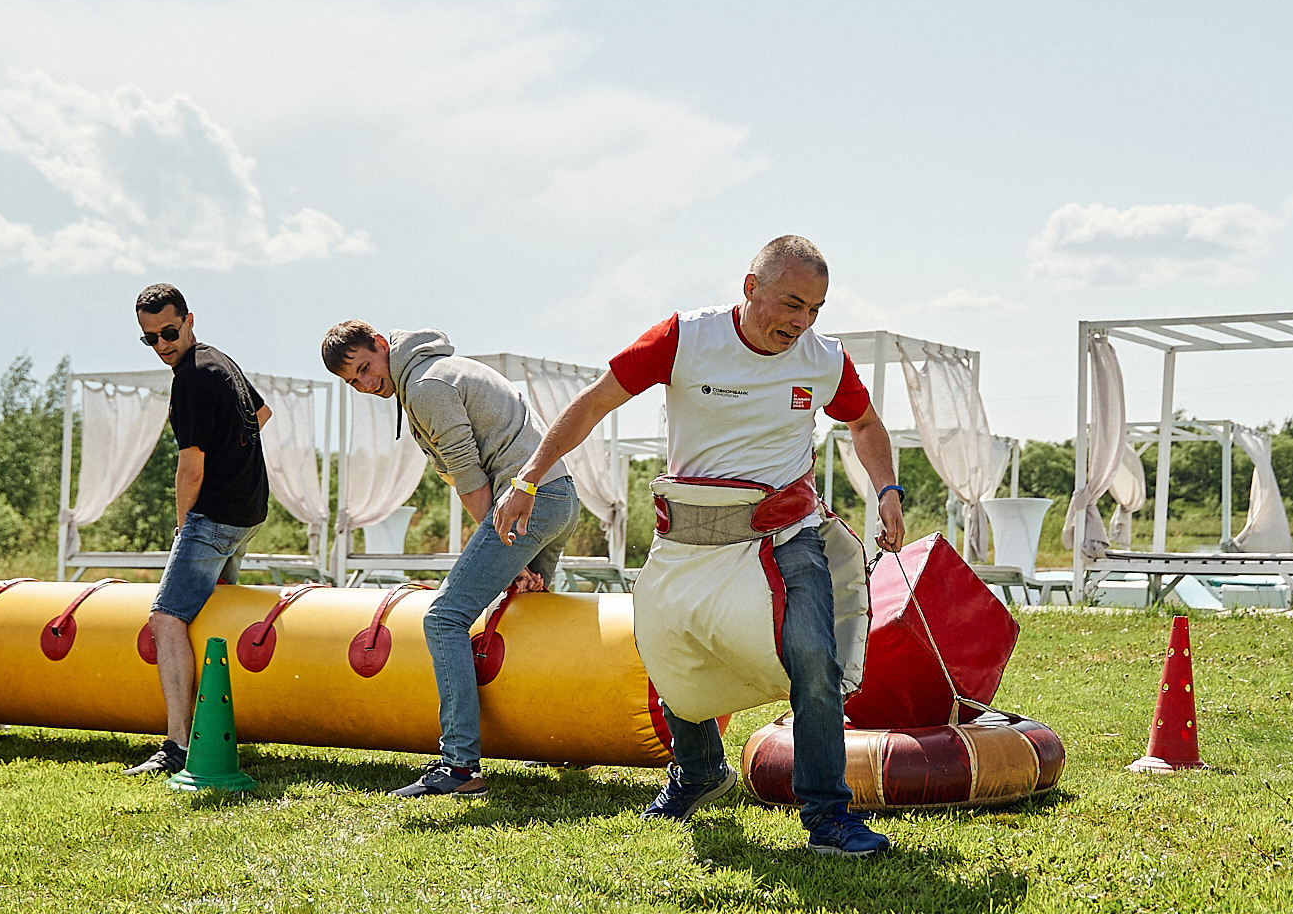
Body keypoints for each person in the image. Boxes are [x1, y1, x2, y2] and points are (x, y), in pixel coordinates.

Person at [492, 236, 904, 855]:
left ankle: (827, 819)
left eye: (815, 309)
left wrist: (888, 489)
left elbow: (865, 423)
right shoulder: (685, 338)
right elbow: (595, 402)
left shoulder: (823, 360)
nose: (801, 323)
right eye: (791, 304)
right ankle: (698, 769)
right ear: (749, 287)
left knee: (813, 656)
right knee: (668, 651)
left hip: (784, 533)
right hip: (688, 537)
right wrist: (527, 479)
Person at [323, 320, 578, 798]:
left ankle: (460, 767)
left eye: (365, 368)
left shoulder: (425, 386)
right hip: (558, 496)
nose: (365, 383)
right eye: (352, 382)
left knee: (444, 618)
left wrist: (504, 541)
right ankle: (565, 737)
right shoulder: (438, 370)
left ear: (382, 345)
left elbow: (470, 477)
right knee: (529, 616)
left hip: (526, 504)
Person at [125, 284, 273, 779]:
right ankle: (223, 722)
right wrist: (238, 461)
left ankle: (177, 745)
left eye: (169, 332)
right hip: (249, 510)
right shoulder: (219, 361)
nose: (163, 344)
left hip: (213, 515)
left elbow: (190, 468)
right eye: (150, 338)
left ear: (189, 319)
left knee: (166, 619)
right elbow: (261, 413)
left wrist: (184, 521)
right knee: (211, 611)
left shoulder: (189, 378)